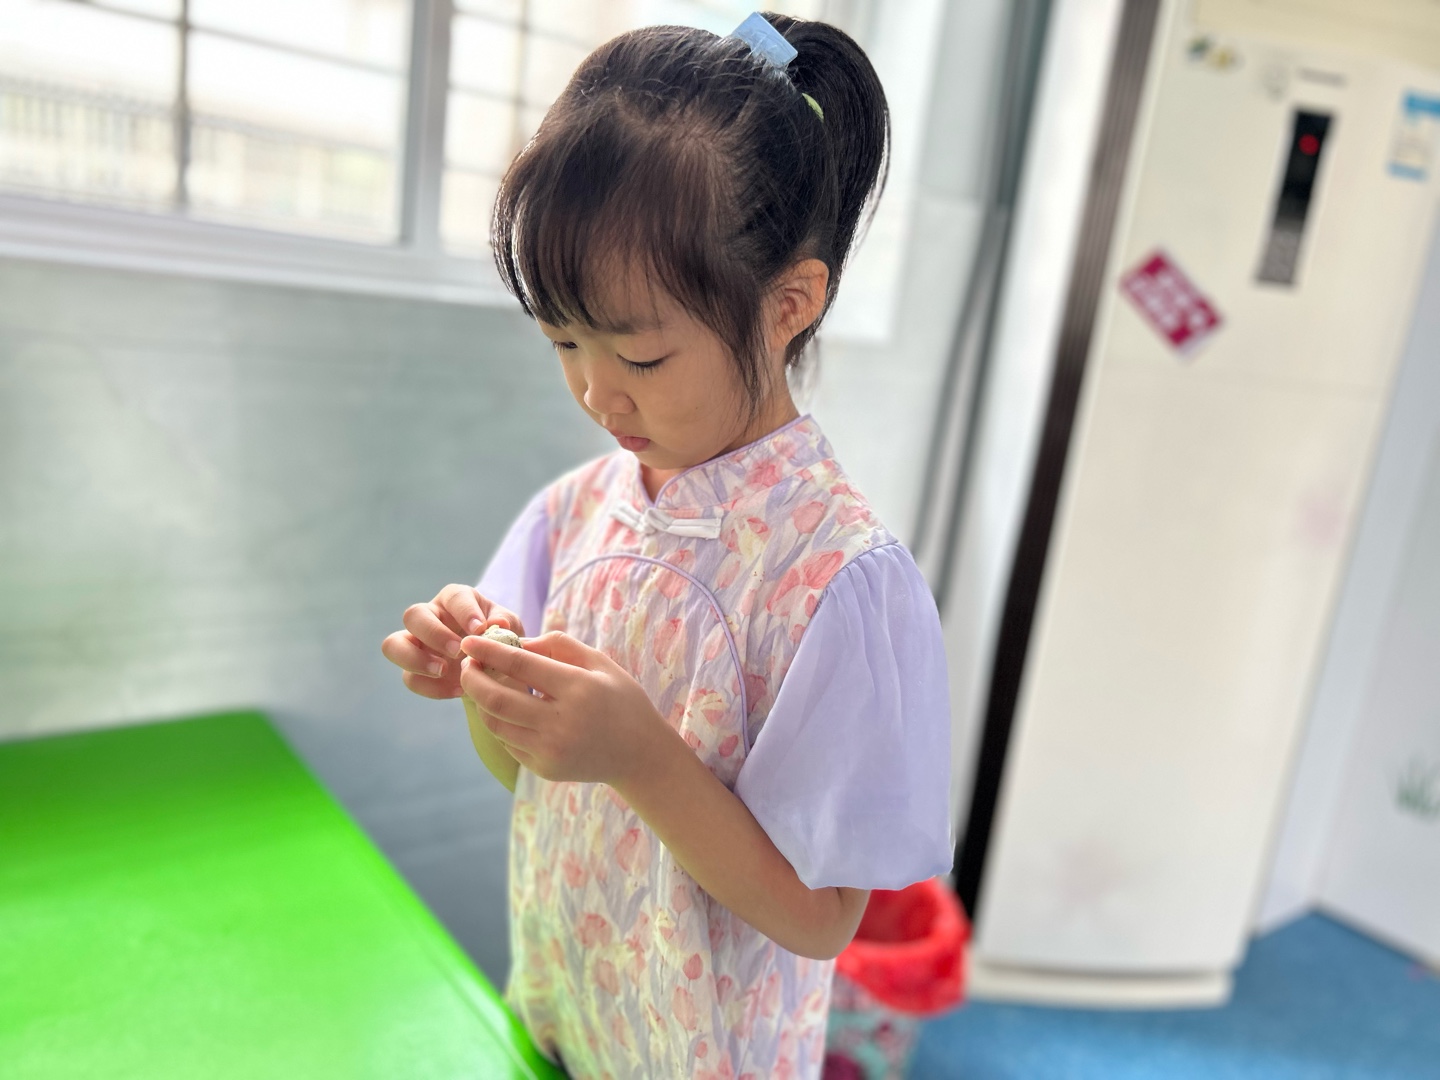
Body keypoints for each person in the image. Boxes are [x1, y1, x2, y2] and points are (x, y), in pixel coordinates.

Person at [381, 12, 952, 1079]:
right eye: (563, 340)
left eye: (639, 356)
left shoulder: (838, 580)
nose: (597, 393)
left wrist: (642, 756)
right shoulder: (575, 510)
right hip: (563, 1012)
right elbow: (526, 777)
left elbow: (823, 918)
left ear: (788, 304)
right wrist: (482, 682)